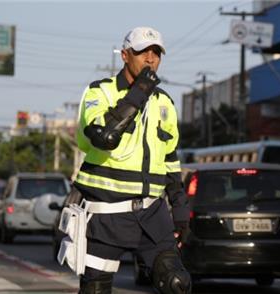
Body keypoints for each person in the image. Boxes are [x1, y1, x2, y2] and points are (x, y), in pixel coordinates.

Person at [73, 26, 191, 294]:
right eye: (142, 52)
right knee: (95, 290)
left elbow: (170, 159)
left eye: (156, 53)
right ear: (125, 55)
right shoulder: (99, 93)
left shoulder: (165, 103)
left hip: (152, 212)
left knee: (177, 283)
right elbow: (103, 137)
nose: (151, 59)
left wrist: (180, 210)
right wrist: (139, 92)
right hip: (107, 214)